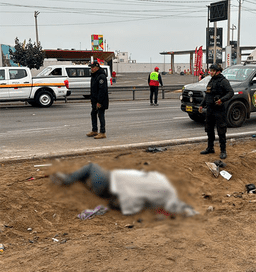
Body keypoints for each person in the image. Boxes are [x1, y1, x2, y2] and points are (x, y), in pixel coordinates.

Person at [50, 163, 197, 216]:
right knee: (93, 173)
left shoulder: (160, 186)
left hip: (105, 183)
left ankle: (68, 180)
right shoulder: (156, 196)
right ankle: (82, 181)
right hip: (108, 186)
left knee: (91, 166)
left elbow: (129, 204)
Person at [199, 64, 234, 159]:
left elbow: (231, 92)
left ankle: (223, 150)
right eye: (210, 70)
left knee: (221, 130)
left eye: (213, 71)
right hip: (210, 109)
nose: (211, 72)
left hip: (219, 110)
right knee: (209, 129)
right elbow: (207, 95)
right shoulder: (211, 80)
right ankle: (210, 148)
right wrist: (202, 105)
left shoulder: (223, 81)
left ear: (218, 71)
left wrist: (222, 100)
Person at [86, 61, 108, 139]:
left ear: (97, 67)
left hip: (100, 100)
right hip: (95, 100)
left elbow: (102, 90)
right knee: (93, 114)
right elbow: (93, 89)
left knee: (100, 115)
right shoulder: (94, 76)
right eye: (91, 67)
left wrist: (99, 101)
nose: (91, 69)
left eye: (93, 67)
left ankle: (102, 132)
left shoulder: (101, 76)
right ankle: (94, 130)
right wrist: (92, 99)